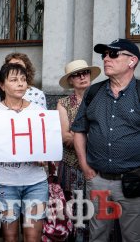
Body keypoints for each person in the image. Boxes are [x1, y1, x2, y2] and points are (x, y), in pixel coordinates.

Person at [71, 38, 140, 242]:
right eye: (105, 55)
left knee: (132, 237)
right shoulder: (94, 92)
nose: (106, 59)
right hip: (98, 179)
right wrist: (84, 166)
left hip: (132, 181)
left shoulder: (138, 92)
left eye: (113, 54)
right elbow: (79, 130)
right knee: (97, 236)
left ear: (132, 61)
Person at [0, 63, 48, 242]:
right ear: (2, 85)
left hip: (36, 182)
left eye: (23, 79)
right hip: (6, 183)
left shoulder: (38, 111)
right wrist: (31, 149)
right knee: (10, 236)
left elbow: (45, 144)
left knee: (32, 236)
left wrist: (44, 155)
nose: (20, 84)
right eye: (14, 80)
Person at [57, 59, 100, 241]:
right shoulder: (63, 103)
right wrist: (95, 138)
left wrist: (79, 136)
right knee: (74, 214)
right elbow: (65, 136)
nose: (82, 77)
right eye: (77, 74)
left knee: (99, 212)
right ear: (70, 81)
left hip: (100, 167)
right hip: (72, 166)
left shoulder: (102, 98)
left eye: (85, 73)